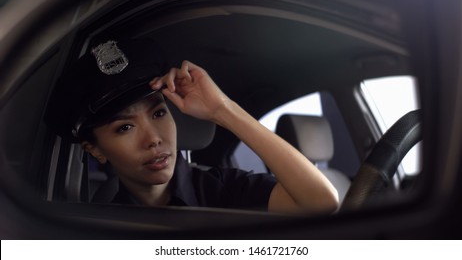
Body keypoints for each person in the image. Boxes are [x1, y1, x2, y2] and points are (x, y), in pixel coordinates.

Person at [45, 38, 338, 214]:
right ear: (94, 150)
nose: (153, 139)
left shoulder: (222, 190)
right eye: (125, 127)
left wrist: (222, 109)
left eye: (159, 113)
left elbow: (321, 202)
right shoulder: (100, 223)